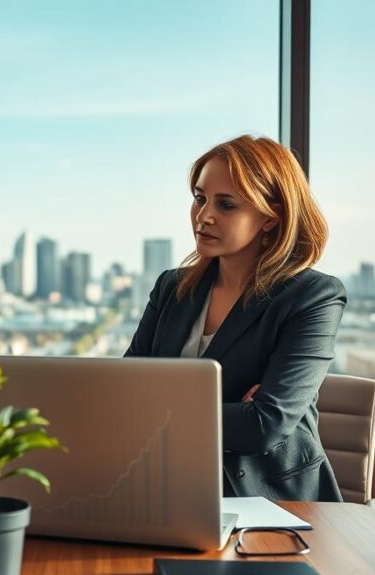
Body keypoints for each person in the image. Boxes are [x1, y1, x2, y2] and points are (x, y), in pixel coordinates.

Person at [125, 135, 345, 502]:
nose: (204, 215)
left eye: (226, 205)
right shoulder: (172, 288)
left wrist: (156, 412)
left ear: (270, 218)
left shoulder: (312, 297)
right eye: (199, 198)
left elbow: (264, 426)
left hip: (267, 500)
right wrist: (232, 411)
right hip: (163, 483)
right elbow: (125, 394)